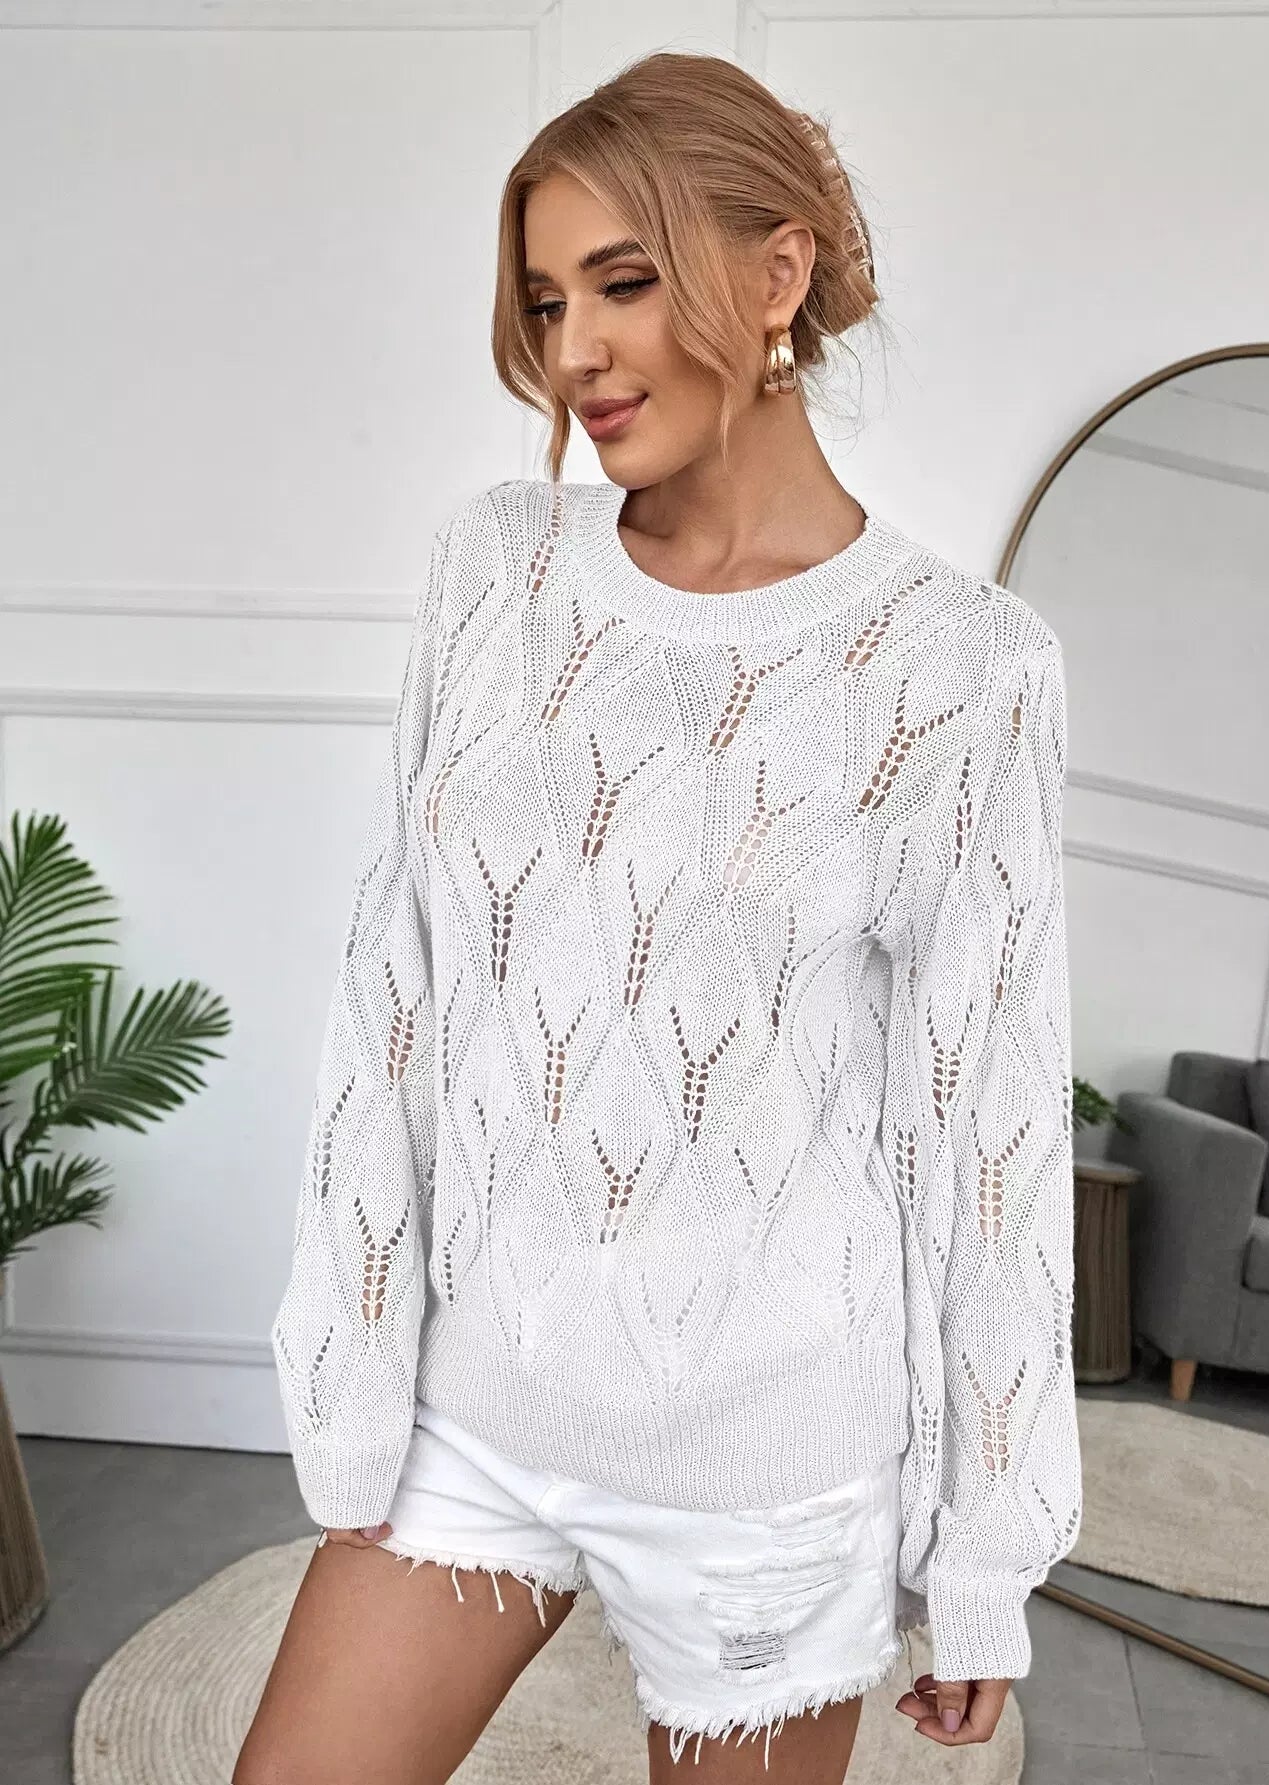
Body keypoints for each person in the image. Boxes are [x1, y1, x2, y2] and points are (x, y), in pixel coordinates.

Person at [234, 47, 1082, 1785]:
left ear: (777, 275)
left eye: (623, 283)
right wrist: (354, 1375)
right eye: (550, 301)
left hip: (769, 1472)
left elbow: (991, 1132)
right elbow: (393, 986)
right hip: (477, 1404)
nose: (576, 351)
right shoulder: (494, 570)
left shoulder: (961, 668)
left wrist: (983, 1563)